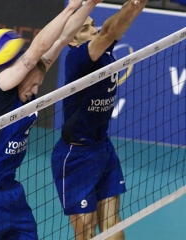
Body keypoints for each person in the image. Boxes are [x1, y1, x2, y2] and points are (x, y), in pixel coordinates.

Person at [0, 0, 104, 239]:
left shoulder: (34, 77)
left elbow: (63, 39)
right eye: (33, 84)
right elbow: (37, 48)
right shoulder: (0, 90)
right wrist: (69, 7)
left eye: (39, 84)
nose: (35, 90)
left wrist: (89, 4)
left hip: (12, 193)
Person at [51, 0, 148, 239]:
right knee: (85, 231)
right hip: (76, 156)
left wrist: (136, 5)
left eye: (93, 24)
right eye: (85, 28)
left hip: (102, 147)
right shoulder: (78, 59)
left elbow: (114, 26)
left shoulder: (104, 51)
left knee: (112, 224)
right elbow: (107, 31)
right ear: (72, 40)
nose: (93, 29)